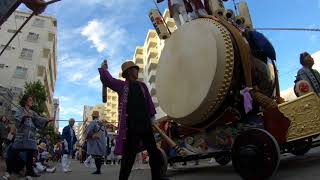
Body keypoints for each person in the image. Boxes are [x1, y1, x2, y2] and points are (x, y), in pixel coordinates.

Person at [99, 60, 168, 180]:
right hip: (131, 126)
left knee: (154, 153)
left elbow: (149, 104)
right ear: (129, 72)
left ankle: (157, 178)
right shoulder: (122, 86)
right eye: (135, 69)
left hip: (146, 124)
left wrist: (152, 118)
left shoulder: (143, 86)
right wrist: (104, 69)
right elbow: (108, 80)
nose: (137, 71)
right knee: (129, 157)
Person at [7, 94, 53, 180]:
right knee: (13, 152)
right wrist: (24, 116)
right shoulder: (20, 110)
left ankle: (29, 172)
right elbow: (17, 120)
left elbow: (39, 119)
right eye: (30, 100)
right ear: (25, 101)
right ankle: (8, 171)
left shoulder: (32, 112)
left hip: (31, 137)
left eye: (32, 100)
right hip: (21, 136)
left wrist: (47, 120)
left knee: (30, 154)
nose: (31, 101)